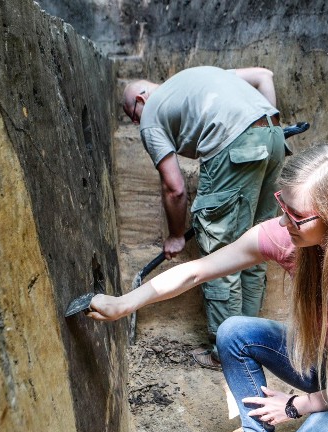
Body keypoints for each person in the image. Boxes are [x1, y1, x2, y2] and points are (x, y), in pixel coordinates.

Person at [88, 145, 328, 432]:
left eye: (297, 216)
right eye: (282, 205)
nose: (283, 221)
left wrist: (295, 405)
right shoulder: (289, 235)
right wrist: (124, 303)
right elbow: (197, 271)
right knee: (234, 332)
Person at [122, 66, 286, 369]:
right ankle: (251, 343)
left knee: (221, 255)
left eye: (131, 114)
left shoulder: (150, 114)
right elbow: (265, 75)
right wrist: (268, 129)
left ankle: (227, 353)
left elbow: (175, 188)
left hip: (235, 143)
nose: (135, 123)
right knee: (256, 245)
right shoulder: (196, 78)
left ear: (140, 99)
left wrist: (175, 235)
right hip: (275, 136)